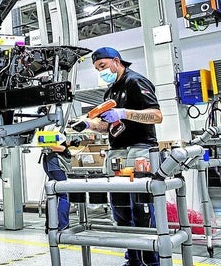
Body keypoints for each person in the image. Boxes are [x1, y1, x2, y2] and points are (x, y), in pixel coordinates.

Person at [80, 47, 163, 266]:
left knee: (141, 209)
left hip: (139, 150)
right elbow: (108, 126)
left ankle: (151, 260)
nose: (101, 71)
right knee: (121, 210)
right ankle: (133, 259)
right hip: (116, 153)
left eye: (103, 66)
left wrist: (124, 112)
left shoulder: (135, 82)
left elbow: (156, 115)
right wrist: (89, 124)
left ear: (116, 61)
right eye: (97, 68)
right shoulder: (109, 93)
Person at [42, 138, 81, 232]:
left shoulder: (54, 126)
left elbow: (56, 140)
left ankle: (50, 226)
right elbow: (47, 143)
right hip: (55, 162)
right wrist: (64, 149)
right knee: (65, 194)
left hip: (51, 162)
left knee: (53, 194)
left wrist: (70, 143)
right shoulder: (52, 125)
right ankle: (62, 225)